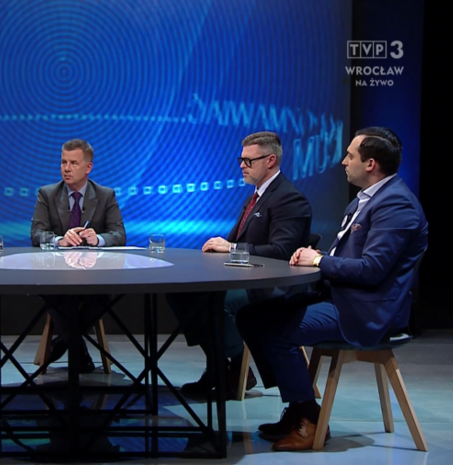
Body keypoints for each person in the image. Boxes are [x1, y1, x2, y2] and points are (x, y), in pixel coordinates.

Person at [235, 127, 428, 451]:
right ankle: (297, 406)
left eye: (350, 156)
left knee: (278, 330)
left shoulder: (397, 205)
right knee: (250, 316)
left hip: (367, 310)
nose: (343, 162)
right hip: (340, 296)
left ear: (370, 164)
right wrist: (318, 257)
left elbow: (372, 270)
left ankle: (310, 419)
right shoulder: (365, 200)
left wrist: (319, 261)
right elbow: (350, 259)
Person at [166, 131, 312, 399]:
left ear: (270, 160)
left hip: (275, 286)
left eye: (248, 161)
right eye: (241, 160)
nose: (242, 166)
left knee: (217, 302)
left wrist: (231, 248)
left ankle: (234, 368)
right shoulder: (254, 197)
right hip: (245, 277)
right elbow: (238, 241)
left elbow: (282, 251)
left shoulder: (289, 198)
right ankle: (220, 366)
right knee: (180, 292)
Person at [30, 139, 126, 373]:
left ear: (88, 167)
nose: (66, 168)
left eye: (73, 163)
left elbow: (119, 234)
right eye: (63, 162)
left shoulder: (105, 195)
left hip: (95, 275)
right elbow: (36, 234)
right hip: (57, 275)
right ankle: (78, 349)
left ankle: (64, 342)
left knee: (103, 297)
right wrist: (59, 240)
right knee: (53, 294)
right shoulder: (47, 194)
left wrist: (98, 238)